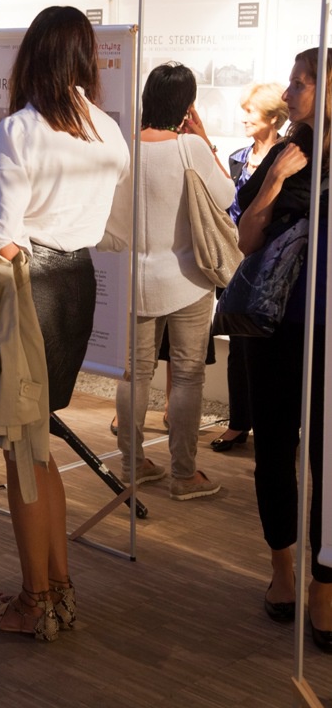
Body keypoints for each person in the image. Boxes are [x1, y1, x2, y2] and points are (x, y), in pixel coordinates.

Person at [0, 6, 131, 640]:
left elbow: (4, 234)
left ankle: (33, 600)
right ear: (85, 58)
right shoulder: (108, 130)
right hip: (77, 281)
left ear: (33, 55)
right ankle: (58, 591)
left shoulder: (21, 128)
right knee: (41, 447)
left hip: (30, 286)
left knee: (24, 452)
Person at [237, 47, 332, 651]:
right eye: (294, 82)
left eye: (303, 83)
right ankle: (283, 569)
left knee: (329, 462)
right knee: (273, 449)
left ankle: (324, 585)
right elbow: (245, 239)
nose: (291, 92)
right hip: (273, 327)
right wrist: (274, 181)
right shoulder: (282, 154)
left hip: (329, 331)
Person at [116, 62, 234, 499]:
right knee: (186, 377)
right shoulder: (191, 148)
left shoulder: (125, 147)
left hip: (134, 279)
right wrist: (205, 140)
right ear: (188, 105)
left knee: (133, 374)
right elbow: (227, 196)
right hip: (188, 279)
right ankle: (184, 476)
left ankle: (131, 466)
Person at [211, 82, 287, 453]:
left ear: (273, 118)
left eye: (250, 112)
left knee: (275, 350)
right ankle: (238, 423)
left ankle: (280, 426)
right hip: (235, 263)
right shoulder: (238, 158)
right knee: (238, 347)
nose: (243, 119)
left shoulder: (288, 158)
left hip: (272, 265)